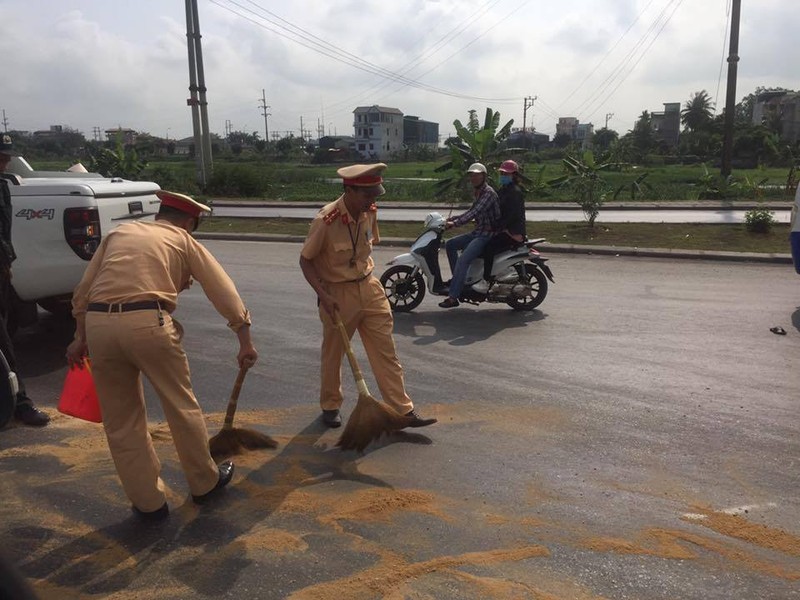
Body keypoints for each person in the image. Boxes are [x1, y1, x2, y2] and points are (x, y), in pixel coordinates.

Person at [65, 190, 257, 520]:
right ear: (188, 222)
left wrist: (79, 337)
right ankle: (204, 483)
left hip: (99, 325)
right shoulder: (183, 240)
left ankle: (148, 503)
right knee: (180, 405)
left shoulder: (119, 232)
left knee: (121, 420)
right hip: (147, 322)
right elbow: (221, 288)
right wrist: (244, 337)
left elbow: (84, 290)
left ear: (159, 214)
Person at [299, 163, 436, 429]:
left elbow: (366, 249)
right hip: (337, 295)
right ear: (349, 190)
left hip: (370, 288)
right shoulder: (324, 221)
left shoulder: (369, 212)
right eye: (366, 195)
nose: (372, 200)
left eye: (375, 195)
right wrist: (323, 295)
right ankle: (330, 405)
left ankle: (401, 411)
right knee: (334, 353)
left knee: (386, 352)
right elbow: (306, 261)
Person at [0, 135, 50, 427]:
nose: (5, 161)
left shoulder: (3, 187)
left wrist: (6, 263)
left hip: (1, 272)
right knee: (4, 341)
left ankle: (18, 401)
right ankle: (19, 402)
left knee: (4, 338)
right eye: (1, 156)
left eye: (6, 156)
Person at [438, 162, 500, 308]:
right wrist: (451, 219)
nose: (473, 178)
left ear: (483, 176)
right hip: (478, 231)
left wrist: (455, 224)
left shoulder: (488, 193)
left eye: (477, 175)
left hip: (487, 235)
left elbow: (475, 212)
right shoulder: (478, 192)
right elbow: (470, 211)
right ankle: (459, 281)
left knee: (463, 260)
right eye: (472, 175)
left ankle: (453, 297)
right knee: (451, 244)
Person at [473, 159, 527, 294]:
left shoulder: (515, 192)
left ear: (514, 175)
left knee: (488, 247)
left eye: (506, 174)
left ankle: (486, 280)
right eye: (502, 173)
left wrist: (496, 227)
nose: (503, 176)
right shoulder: (504, 190)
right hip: (504, 229)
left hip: (512, 232)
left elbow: (510, 216)